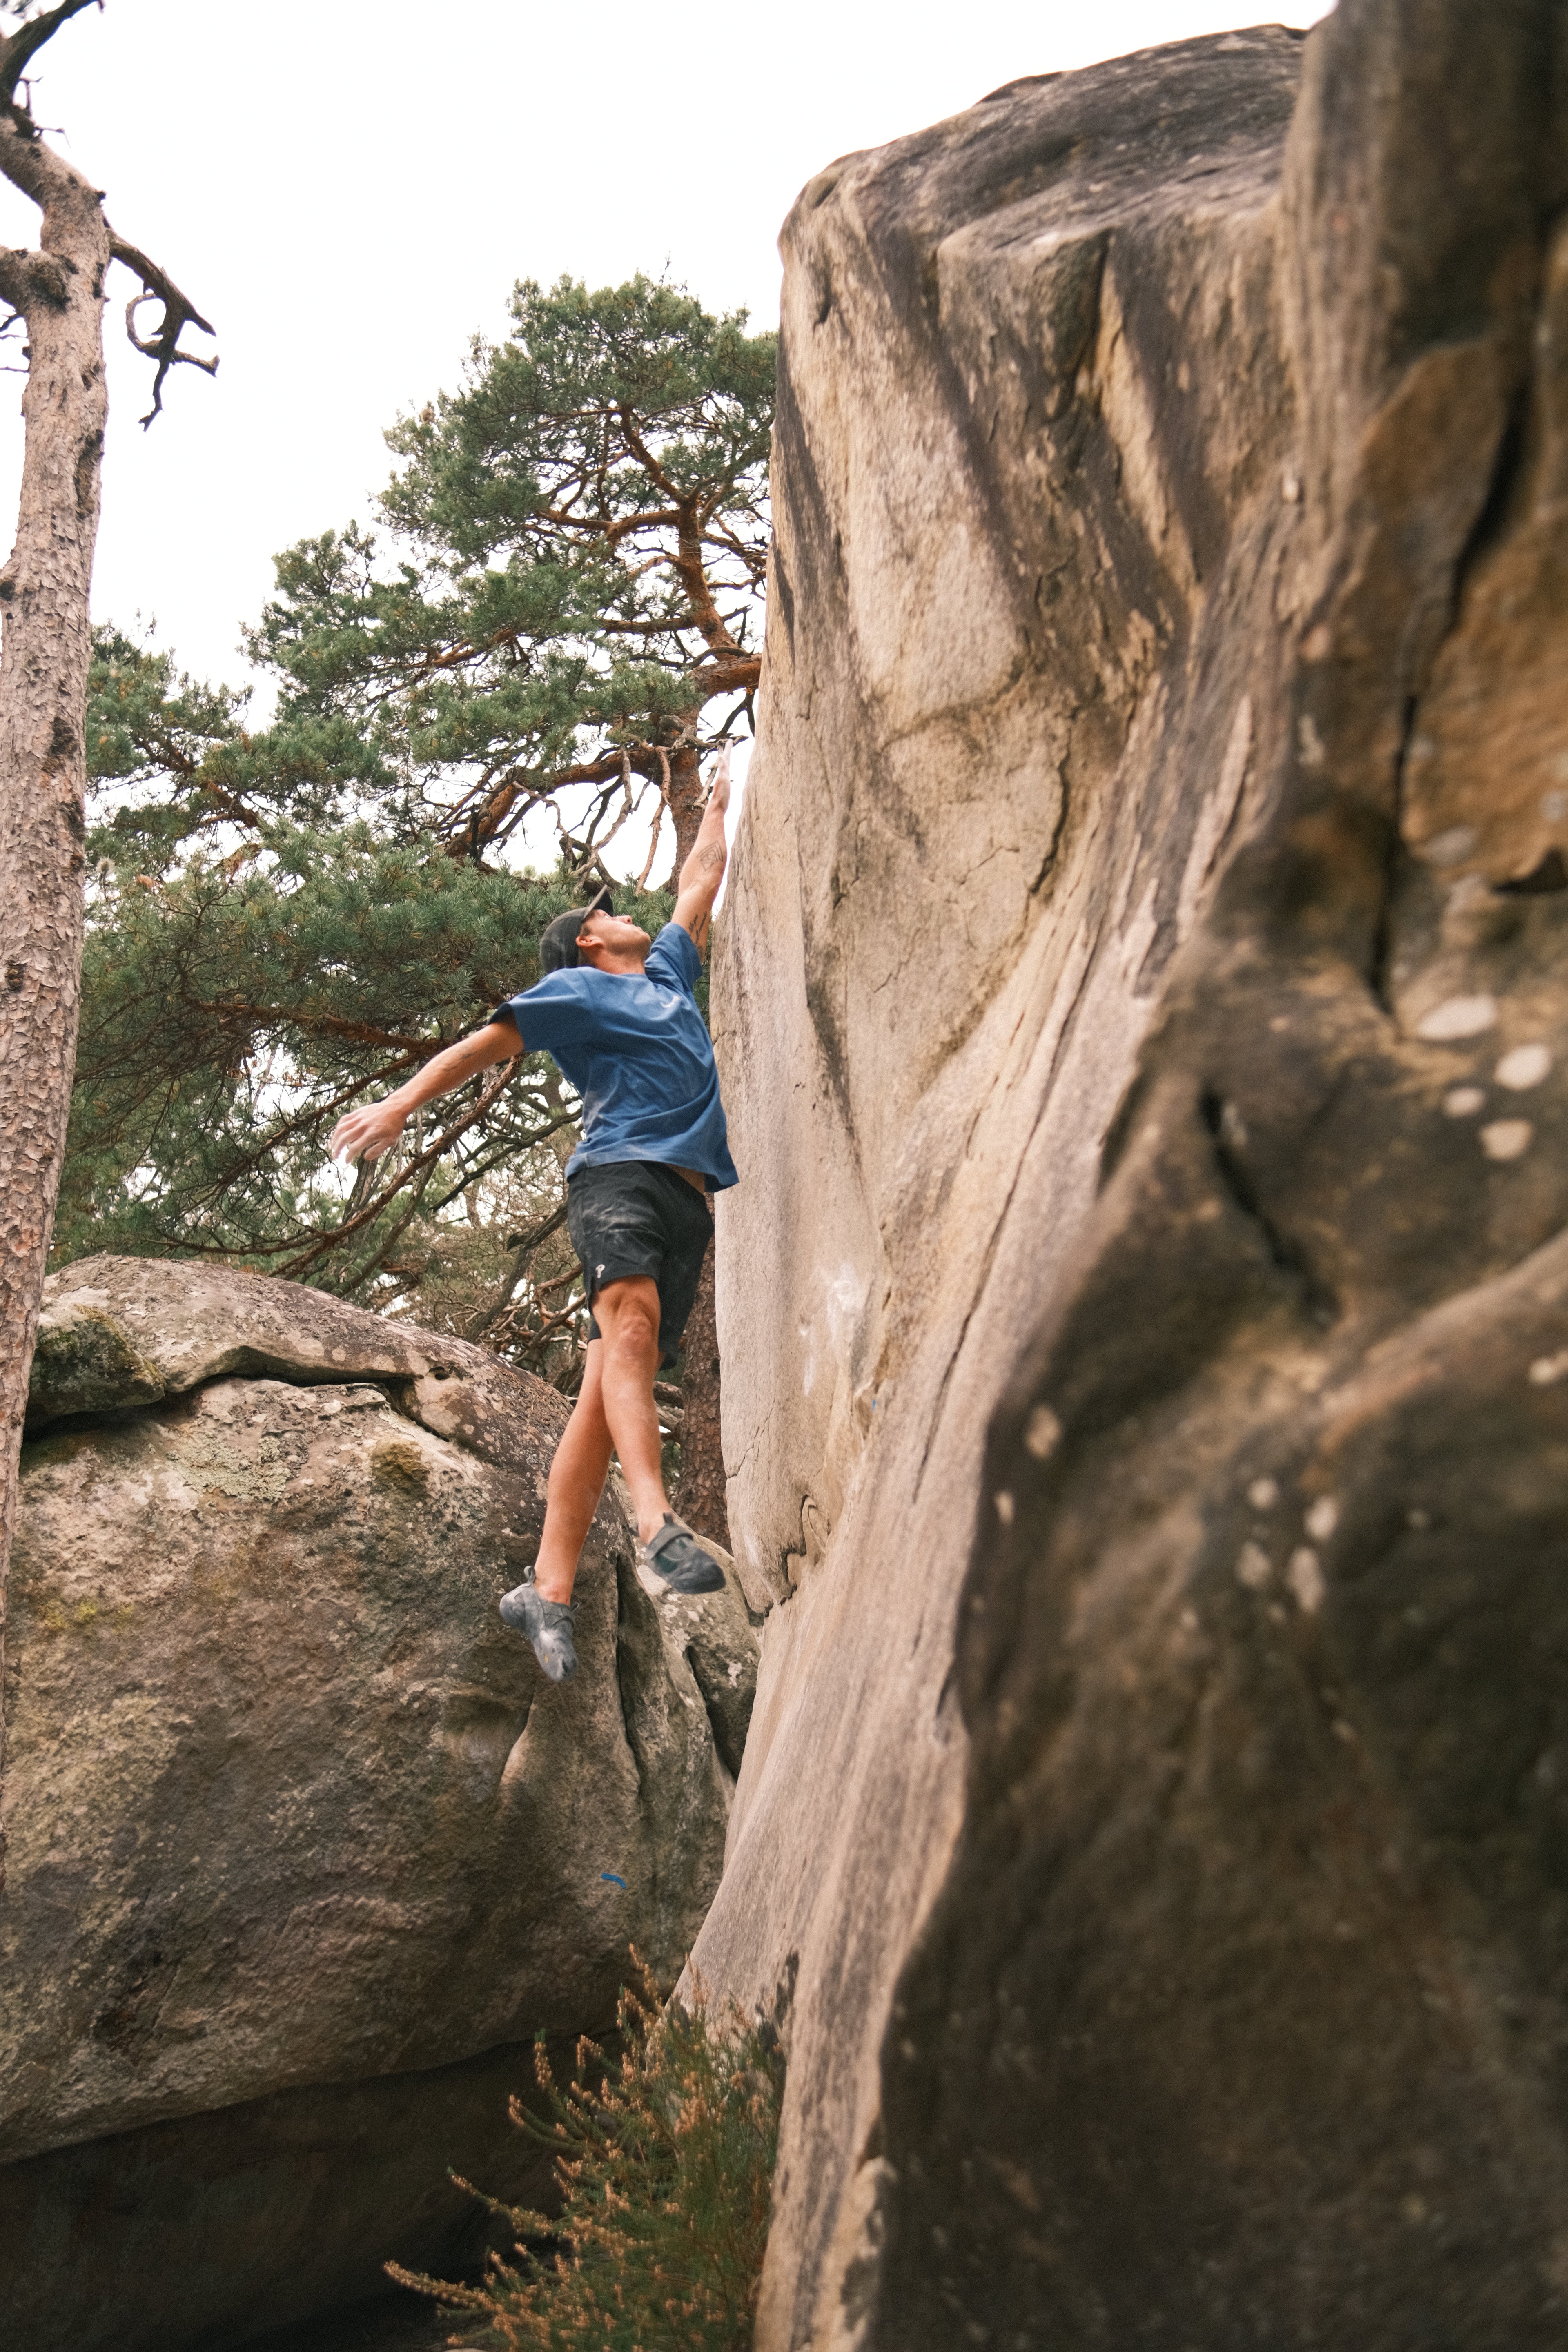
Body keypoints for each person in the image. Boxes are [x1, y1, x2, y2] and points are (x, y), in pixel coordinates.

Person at [328, 748, 738, 1684]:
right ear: (588, 940)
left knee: (603, 1391)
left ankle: (544, 1590)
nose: (620, 909)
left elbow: (697, 885)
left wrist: (719, 802)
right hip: (617, 1179)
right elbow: (487, 1044)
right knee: (627, 1326)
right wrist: (399, 1106)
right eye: (602, 911)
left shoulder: (668, 976)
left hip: (685, 1203)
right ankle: (654, 1523)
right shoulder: (578, 989)